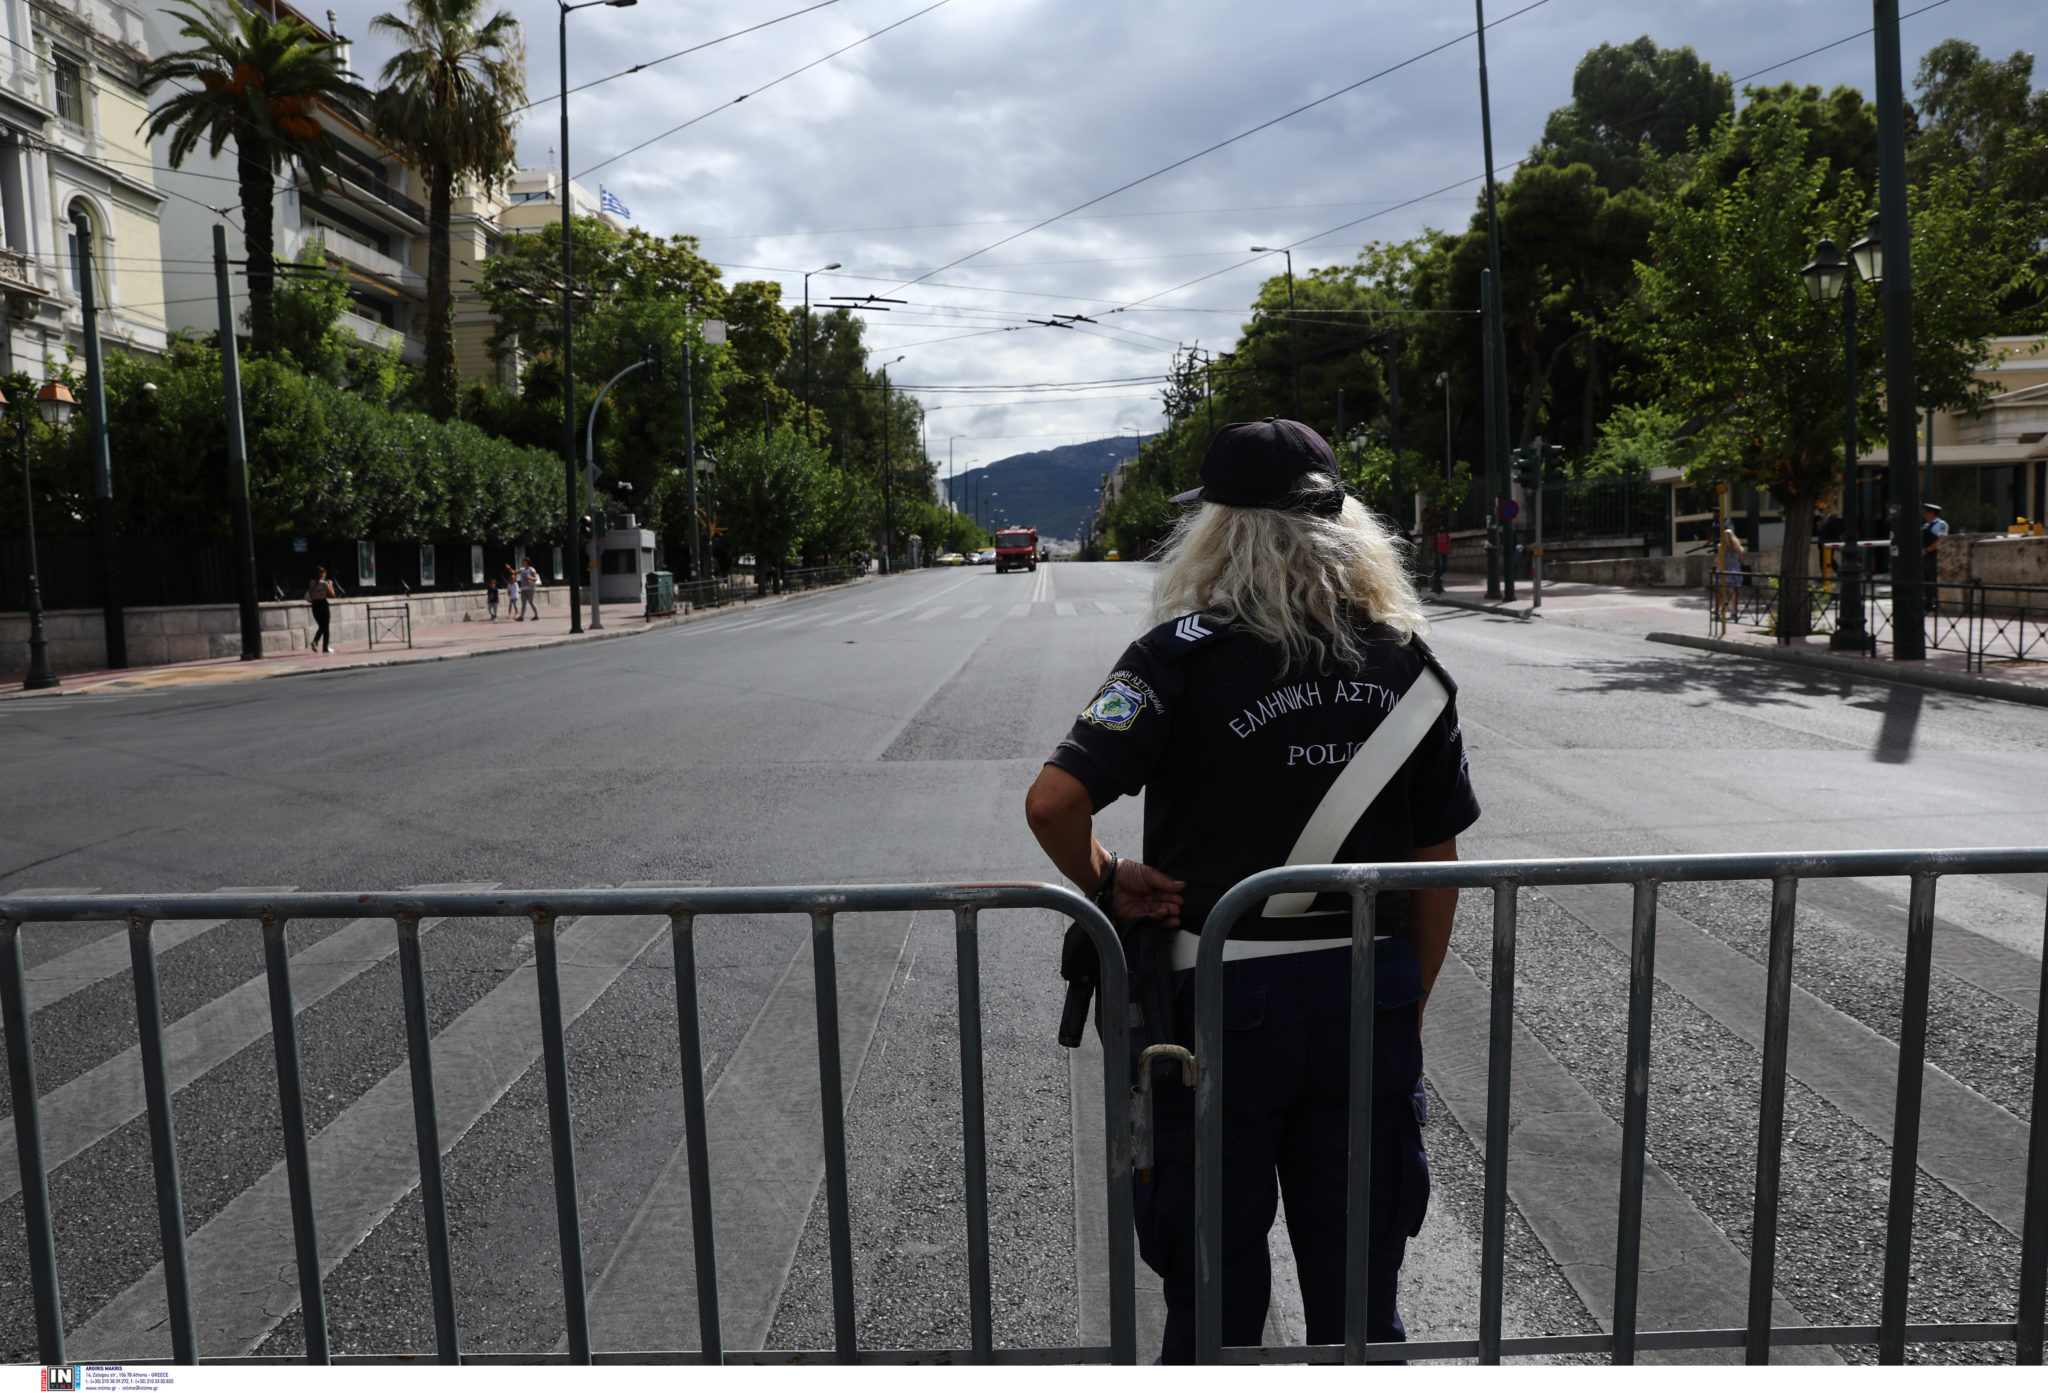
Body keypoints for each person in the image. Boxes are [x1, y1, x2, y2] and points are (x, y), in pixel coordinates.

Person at [1024, 418, 1477, 1363]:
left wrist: (1108, 877)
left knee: (1213, 1292)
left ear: (1219, 533)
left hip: (1218, 1006)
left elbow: (1055, 802)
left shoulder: (1175, 659)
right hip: (1368, 994)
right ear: (1346, 527)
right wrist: (1407, 998)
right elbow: (1438, 867)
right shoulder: (1408, 666)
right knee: (1360, 1302)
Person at [1716, 527, 1747, 623]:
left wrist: (1718, 569)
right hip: (1736, 571)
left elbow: (1720, 560)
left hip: (1725, 571)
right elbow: (1741, 559)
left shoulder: (1721, 547)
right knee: (1733, 592)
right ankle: (1734, 611)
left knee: (1721, 591)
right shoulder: (1738, 547)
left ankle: (1720, 610)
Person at [305, 566, 337, 653]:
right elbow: (333, 595)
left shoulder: (311, 583)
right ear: (322, 574)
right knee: (325, 627)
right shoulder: (324, 584)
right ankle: (323, 646)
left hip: (315, 605)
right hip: (323, 604)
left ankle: (316, 642)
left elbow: (310, 593)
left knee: (321, 626)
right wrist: (331, 585)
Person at [1922, 503, 1947, 601]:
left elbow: (1940, 541)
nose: (1924, 514)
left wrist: (1927, 550)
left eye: (1925, 512)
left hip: (1933, 555)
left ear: (1931, 513)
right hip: (1925, 555)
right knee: (1925, 580)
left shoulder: (1941, 524)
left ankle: (1936, 601)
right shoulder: (1926, 525)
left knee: (1933, 579)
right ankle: (1928, 602)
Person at [1432, 522, 1452, 594]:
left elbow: (1449, 543)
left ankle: (1441, 575)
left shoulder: (1447, 536)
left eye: (1442, 527)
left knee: (1445, 565)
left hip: (1445, 552)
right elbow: (1433, 543)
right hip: (1439, 552)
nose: (1442, 528)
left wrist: (1449, 550)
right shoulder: (1436, 536)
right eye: (1440, 527)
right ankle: (1440, 577)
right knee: (1440, 564)